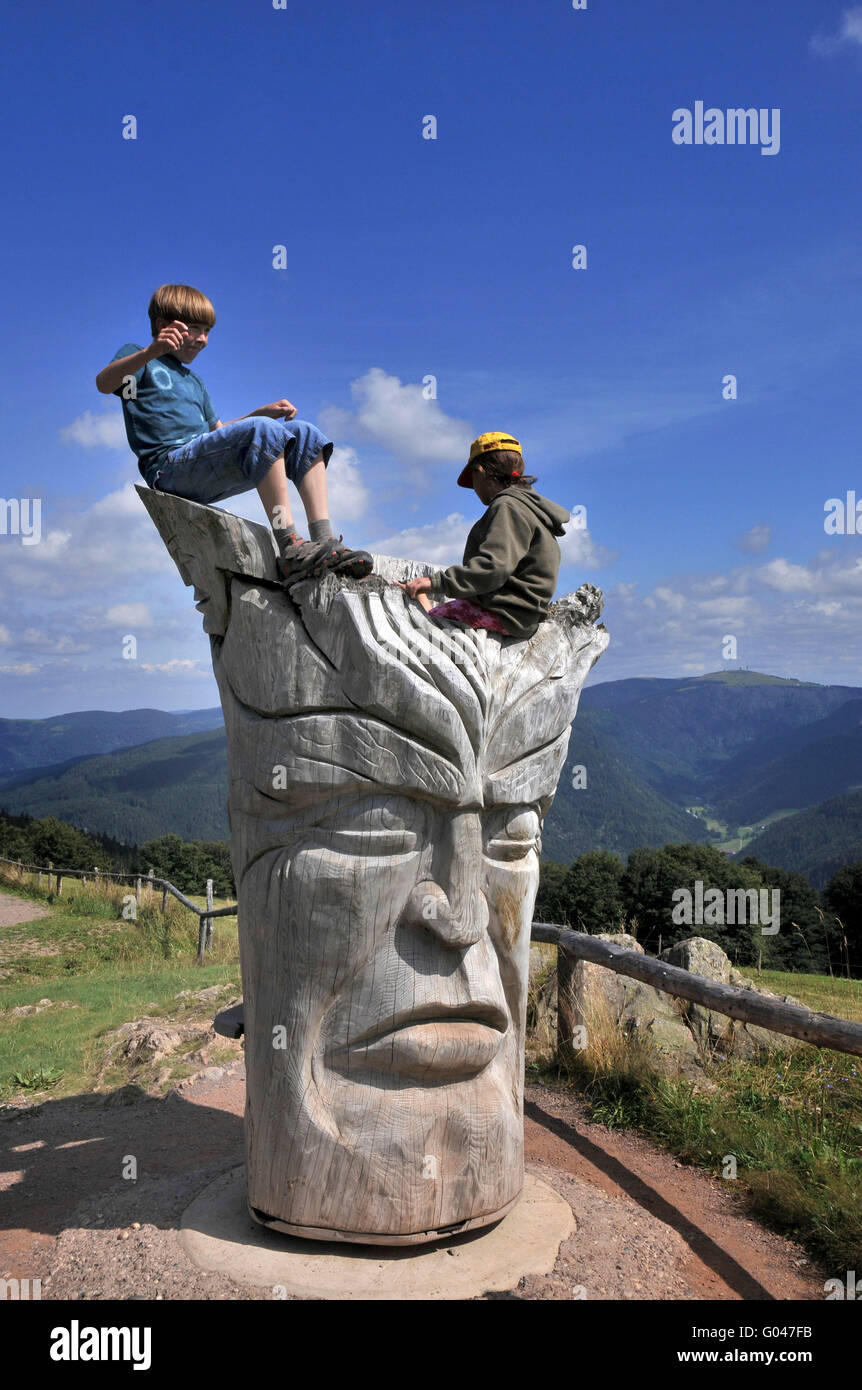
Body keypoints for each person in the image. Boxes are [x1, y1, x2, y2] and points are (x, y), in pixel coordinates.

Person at [95, 283, 373, 583]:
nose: (203, 339)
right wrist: (151, 351)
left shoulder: (194, 382)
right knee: (263, 432)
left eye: (208, 331)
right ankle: (291, 547)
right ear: (164, 325)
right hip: (169, 469)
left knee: (304, 433)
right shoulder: (139, 357)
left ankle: (323, 542)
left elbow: (220, 434)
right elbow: (105, 383)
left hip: (201, 461)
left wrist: (261, 414)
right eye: (195, 329)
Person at [399, 433, 570, 639]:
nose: (474, 489)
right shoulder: (531, 509)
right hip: (522, 615)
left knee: (416, 633)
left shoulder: (507, 506)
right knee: (430, 617)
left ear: (479, 472)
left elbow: (494, 567)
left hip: (505, 613)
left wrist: (434, 582)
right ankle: (421, 598)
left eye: (472, 481)